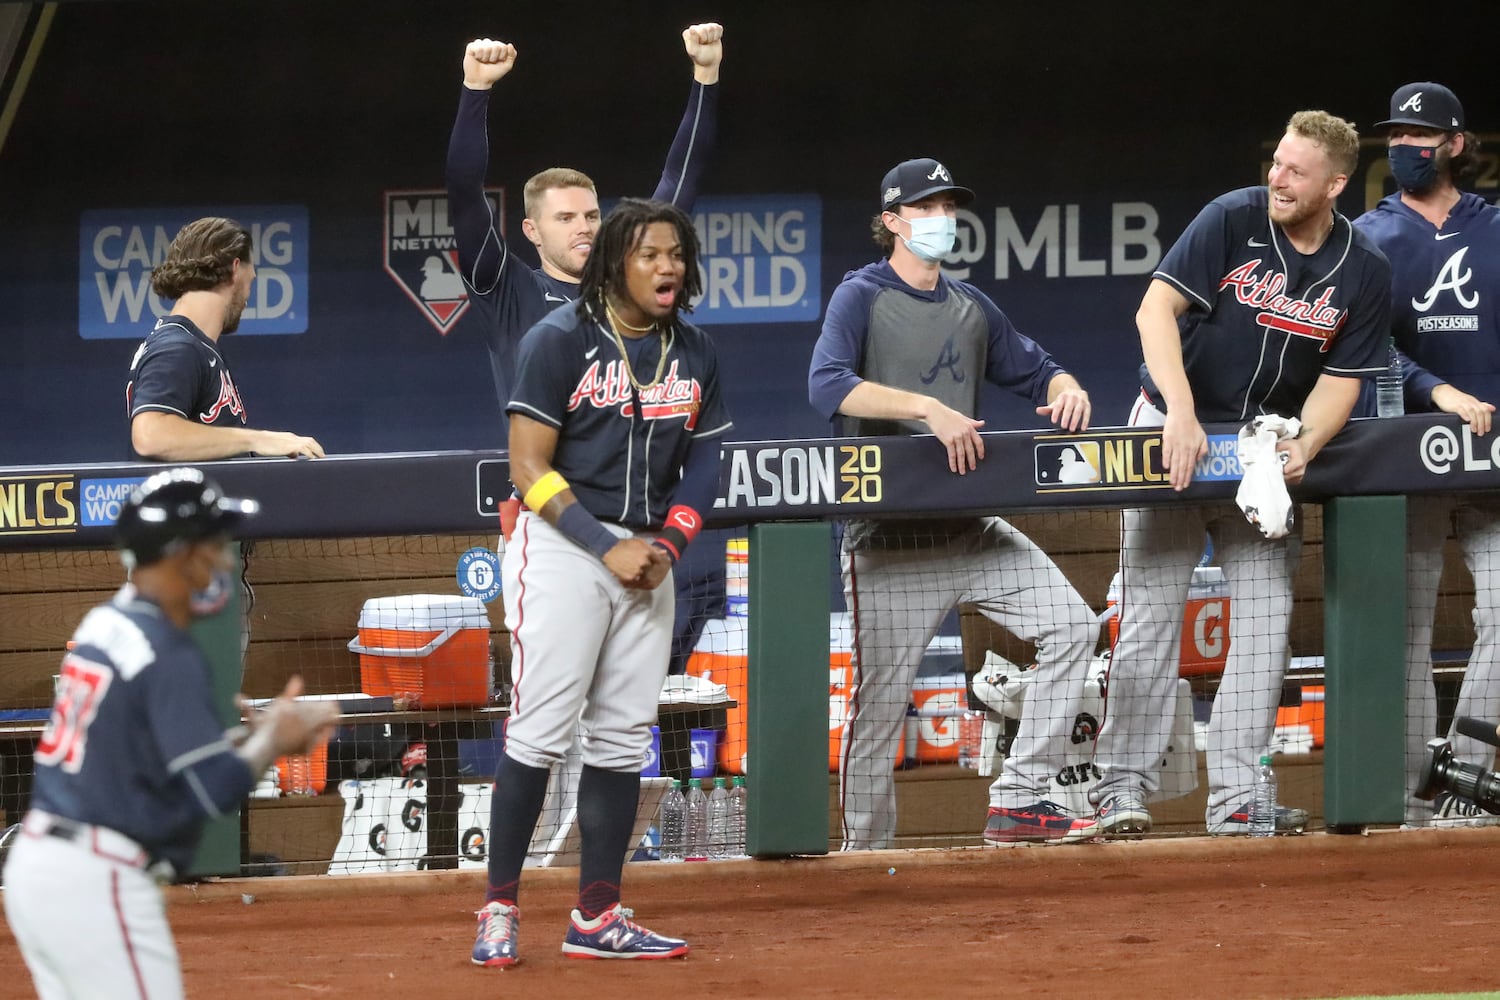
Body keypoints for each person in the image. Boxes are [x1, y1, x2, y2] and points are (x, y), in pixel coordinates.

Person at [1091, 110, 1391, 836]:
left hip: (1259, 452)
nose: (1277, 179)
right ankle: (1119, 790)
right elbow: (1155, 311)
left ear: (1337, 185)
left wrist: (1308, 444)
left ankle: (1235, 797)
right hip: (1177, 431)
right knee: (1152, 616)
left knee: (1264, 624)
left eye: (1296, 171)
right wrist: (1181, 414)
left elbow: (1342, 380)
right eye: (1276, 163)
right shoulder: (1232, 219)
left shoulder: (1364, 269)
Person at [807, 158, 1103, 849]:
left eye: (949, 206)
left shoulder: (971, 306)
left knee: (1072, 627)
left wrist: (1065, 385)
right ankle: (864, 852)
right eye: (926, 207)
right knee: (879, 710)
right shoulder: (862, 295)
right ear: (892, 222)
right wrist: (928, 409)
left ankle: (1021, 799)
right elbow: (827, 386)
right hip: (889, 539)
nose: (942, 218)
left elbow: (1036, 367)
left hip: (971, 529)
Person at [471, 199, 731, 965]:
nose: (668, 267)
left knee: (621, 740)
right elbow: (528, 467)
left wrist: (670, 543)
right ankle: (498, 908)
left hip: (651, 554)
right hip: (561, 545)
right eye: (651, 254)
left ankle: (597, 916)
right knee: (540, 731)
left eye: (677, 254)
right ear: (617, 261)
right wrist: (601, 545)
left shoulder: (696, 351)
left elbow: (708, 463)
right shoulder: (559, 340)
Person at [2, 468, 339, 1000]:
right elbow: (212, 789)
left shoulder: (104, 624)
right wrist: (274, 739)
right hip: (96, 881)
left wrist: (245, 739)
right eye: (214, 544)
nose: (224, 559)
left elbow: (139, 759)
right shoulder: (166, 650)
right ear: (183, 552)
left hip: (40, 867)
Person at [1352, 82, 1500, 827]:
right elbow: (1362, 345)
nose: (1406, 145)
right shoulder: (1368, 237)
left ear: (1455, 145)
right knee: (1404, 631)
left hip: (1496, 462)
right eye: (1397, 134)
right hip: (1403, 454)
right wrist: (1434, 389)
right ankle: (1415, 800)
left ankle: (1463, 784)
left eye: (1421, 134)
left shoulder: (1496, 228)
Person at [446, 24, 722, 415]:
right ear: (532, 231)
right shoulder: (506, 288)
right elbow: (464, 191)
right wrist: (475, 88)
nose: (584, 226)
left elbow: (679, 179)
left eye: (592, 215)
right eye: (565, 218)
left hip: (632, 472)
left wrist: (706, 75)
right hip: (547, 475)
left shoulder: (628, 279)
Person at [127, 217, 324, 461]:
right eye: (250, 281)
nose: (248, 297)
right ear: (235, 269)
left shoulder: (196, 346)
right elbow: (151, 436)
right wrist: (258, 439)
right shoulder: (178, 347)